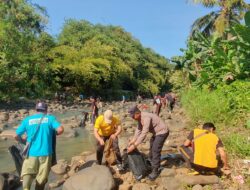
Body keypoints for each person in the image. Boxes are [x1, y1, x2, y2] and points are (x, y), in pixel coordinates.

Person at [14, 102, 64, 190]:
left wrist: (23, 141)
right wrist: (53, 133)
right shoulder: (50, 119)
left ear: (36, 110)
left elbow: (15, 136)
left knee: (27, 173)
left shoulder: (27, 120)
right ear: (46, 110)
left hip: (31, 154)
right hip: (46, 153)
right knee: (42, 177)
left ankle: (26, 188)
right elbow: (60, 129)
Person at [127, 106, 169, 180]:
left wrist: (134, 146)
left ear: (137, 113)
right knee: (151, 146)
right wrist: (132, 141)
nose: (132, 118)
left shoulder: (146, 117)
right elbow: (138, 130)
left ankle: (156, 170)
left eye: (133, 116)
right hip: (156, 133)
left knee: (155, 150)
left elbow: (144, 133)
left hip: (162, 132)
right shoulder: (139, 119)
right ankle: (151, 162)